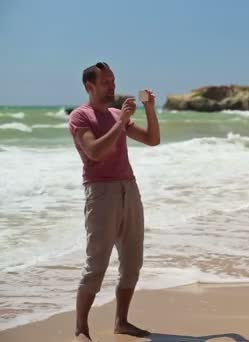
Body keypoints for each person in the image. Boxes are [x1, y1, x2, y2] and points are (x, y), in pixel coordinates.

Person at [67, 62, 160, 341]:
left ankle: (122, 322)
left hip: (129, 190)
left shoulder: (118, 114)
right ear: (90, 86)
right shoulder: (80, 116)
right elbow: (95, 151)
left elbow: (152, 140)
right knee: (96, 265)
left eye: (114, 81)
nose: (112, 86)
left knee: (132, 262)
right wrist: (120, 124)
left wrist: (150, 110)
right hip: (101, 193)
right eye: (106, 82)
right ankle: (81, 329)